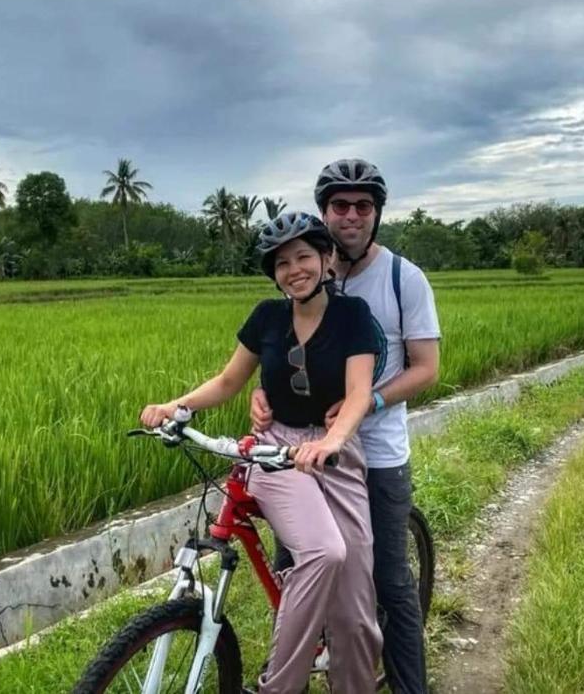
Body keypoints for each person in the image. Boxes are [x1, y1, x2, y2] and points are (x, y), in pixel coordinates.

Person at [141, 211, 383, 694]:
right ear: (273, 274)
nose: (294, 269)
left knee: (356, 614)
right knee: (322, 552)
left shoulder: (353, 316)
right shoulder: (267, 316)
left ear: (326, 257)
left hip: (335, 453)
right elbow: (231, 381)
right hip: (275, 451)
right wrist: (175, 405)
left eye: (303, 257)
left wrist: (332, 441)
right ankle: (280, 685)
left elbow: (358, 392)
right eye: (282, 263)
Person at [252, 160, 441, 694]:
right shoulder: (305, 272)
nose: (352, 215)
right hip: (300, 451)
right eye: (341, 205)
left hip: (374, 453)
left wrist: (371, 400)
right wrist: (265, 392)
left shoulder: (404, 279)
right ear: (324, 214)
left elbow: (426, 368)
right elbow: (277, 354)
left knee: (389, 582)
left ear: (377, 214)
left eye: (363, 206)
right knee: (300, 577)